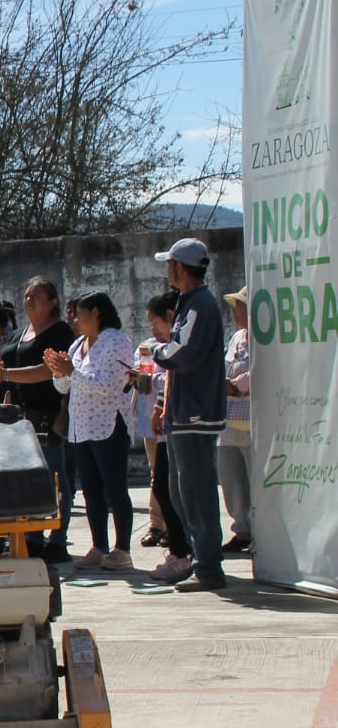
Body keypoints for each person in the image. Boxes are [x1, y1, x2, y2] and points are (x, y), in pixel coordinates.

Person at [151, 238, 228, 592]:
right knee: (181, 492)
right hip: (185, 413)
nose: (168, 270)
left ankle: (208, 566)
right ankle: (201, 560)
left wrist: (156, 349)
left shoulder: (199, 304)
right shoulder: (191, 303)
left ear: (181, 268)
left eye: (170, 265)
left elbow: (181, 353)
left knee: (195, 494)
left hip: (196, 414)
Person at [0, 276, 76, 563]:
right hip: (18, 420)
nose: (28, 300)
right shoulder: (19, 334)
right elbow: (1, 356)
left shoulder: (60, 332)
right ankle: (32, 537)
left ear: (52, 302)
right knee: (27, 482)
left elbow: (49, 370)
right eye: (26, 295)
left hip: (48, 416)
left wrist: (8, 375)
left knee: (55, 480)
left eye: (36, 295)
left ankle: (57, 539)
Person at [47, 291, 136, 573]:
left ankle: (122, 548)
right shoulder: (77, 345)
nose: (75, 319)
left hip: (109, 423)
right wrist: (58, 371)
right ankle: (99, 546)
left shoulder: (116, 342)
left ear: (96, 313)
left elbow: (109, 384)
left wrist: (71, 371)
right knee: (91, 490)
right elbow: (63, 387)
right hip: (81, 426)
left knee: (114, 487)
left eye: (80, 314)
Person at [134, 292, 194, 584]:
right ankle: (181, 550)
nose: (153, 329)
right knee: (164, 489)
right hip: (164, 425)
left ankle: (183, 552)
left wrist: (158, 401)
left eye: (156, 322)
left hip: (181, 425)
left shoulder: (178, 346)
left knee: (173, 491)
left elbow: (173, 378)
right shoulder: (161, 347)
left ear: (171, 316)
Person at [219, 286, 254, 554]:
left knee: (254, 479)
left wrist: (238, 385)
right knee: (231, 479)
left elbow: (263, 369)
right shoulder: (235, 338)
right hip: (229, 421)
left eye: (240, 305)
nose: (235, 310)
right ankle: (242, 529)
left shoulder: (262, 336)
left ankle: (260, 531)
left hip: (253, 422)